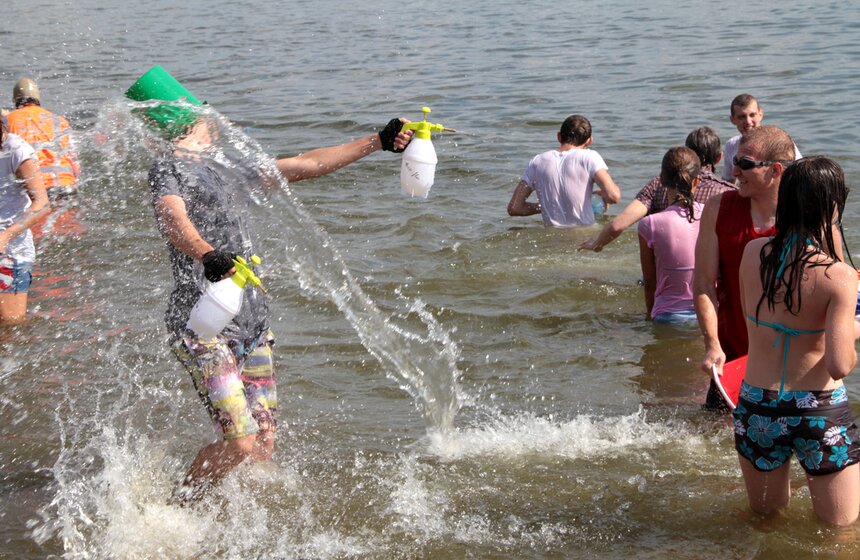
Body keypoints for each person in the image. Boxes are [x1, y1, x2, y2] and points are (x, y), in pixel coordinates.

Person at [129, 74, 413, 502]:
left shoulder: (225, 167)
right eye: (205, 110)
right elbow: (171, 218)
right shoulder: (169, 166)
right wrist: (208, 255)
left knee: (262, 444)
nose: (214, 116)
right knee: (239, 443)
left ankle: (240, 525)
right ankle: (176, 510)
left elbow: (305, 165)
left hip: (253, 325)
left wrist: (377, 141)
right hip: (205, 327)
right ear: (189, 118)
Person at [733, 156, 859, 526]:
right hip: (818, 410)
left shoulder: (751, 254)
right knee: (839, 532)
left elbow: (758, 324)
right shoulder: (839, 276)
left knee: (766, 522)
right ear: (831, 206)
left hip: (758, 404)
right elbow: (839, 364)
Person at [694, 125, 796, 410]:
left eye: (745, 164)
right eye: (735, 162)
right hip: (731, 360)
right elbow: (703, 284)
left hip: (789, 366)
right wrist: (712, 344)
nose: (735, 171)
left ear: (775, 170)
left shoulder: (803, 216)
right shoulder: (718, 208)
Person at [580, 126, 735, 252]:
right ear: (718, 158)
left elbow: (617, 225)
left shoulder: (659, 184)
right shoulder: (728, 193)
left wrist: (596, 244)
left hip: (662, 274)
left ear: (686, 152)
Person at [507, 114, 621, 227]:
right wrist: (601, 195)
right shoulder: (589, 157)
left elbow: (514, 208)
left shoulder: (537, 162)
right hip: (584, 236)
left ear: (559, 137)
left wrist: (545, 206)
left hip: (552, 239)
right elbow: (613, 196)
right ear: (589, 141)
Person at [5, 78, 82, 238]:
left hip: (39, 190)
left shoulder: (8, 120)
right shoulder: (59, 120)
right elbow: (76, 166)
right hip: (66, 186)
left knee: (38, 240)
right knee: (68, 237)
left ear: (15, 101)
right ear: (38, 99)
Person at [637, 147, 702, 323]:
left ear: (662, 181)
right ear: (696, 181)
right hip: (708, 314)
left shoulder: (648, 224)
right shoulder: (711, 214)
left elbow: (650, 283)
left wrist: (650, 317)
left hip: (667, 316)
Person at [0, 120, 50, 324]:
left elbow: (42, 204)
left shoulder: (16, 150)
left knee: (9, 325)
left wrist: (6, 236)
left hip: (10, 251)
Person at [721, 94, 801, 181]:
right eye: (741, 117)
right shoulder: (731, 145)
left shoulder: (780, 142)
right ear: (732, 120)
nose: (748, 121)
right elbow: (728, 181)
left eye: (752, 115)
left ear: (760, 114)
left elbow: (800, 173)